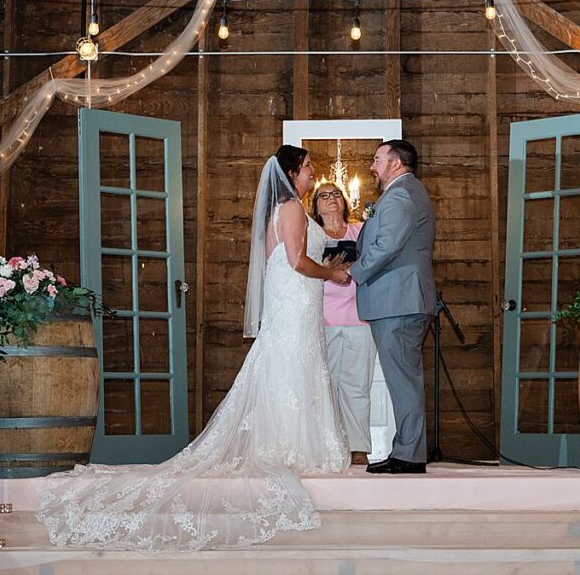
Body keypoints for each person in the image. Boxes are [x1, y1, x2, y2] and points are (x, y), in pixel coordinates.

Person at [38, 145, 352, 551]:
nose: (313, 173)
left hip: (296, 303)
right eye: (309, 168)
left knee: (290, 365)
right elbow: (294, 260)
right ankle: (288, 444)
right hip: (295, 300)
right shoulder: (290, 208)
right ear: (292, 174)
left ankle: (290, 440)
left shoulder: (287, 208)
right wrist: (333, 274)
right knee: (290, 365)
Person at [348, 140, 436, 475]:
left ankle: (410, 455)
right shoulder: (407, 192)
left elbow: (387, 245)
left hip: (398, 299)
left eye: (377, 160)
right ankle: (407, 449)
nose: (372, 166)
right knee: (404, 377)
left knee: (403, 379)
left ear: (396, 164)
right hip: (399, 298)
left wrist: (353, 272)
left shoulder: (401, 195)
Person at [312, 182, 375, 466]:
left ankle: (358, 447)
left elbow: (376, 258)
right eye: (323, 196)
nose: (330, 199)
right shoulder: (310, 235)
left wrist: (354, 267)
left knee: (357, 386)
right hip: (322, 318)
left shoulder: (359, 231)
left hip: (359, 317)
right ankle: (327, 446)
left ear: (344, 200)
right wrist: (330, 270)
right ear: (314, 206)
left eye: (335, 193)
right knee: (325, 386)